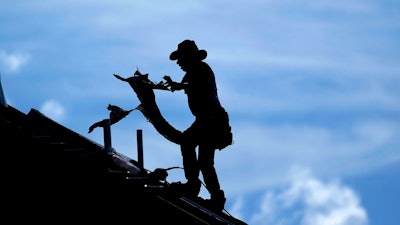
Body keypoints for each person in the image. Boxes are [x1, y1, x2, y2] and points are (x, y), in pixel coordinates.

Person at [164, 40, 232, 212]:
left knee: (199, 155)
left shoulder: (202, 69)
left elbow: (193, 84)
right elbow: (186, 85)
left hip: (212, 119)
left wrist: (178, 86)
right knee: (200, 157)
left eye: (181, 58)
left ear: (189, 57)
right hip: (206, 119)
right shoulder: (192, 72)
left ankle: (202, 190)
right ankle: (203, 190)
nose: (178, 63)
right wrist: (175, 86)